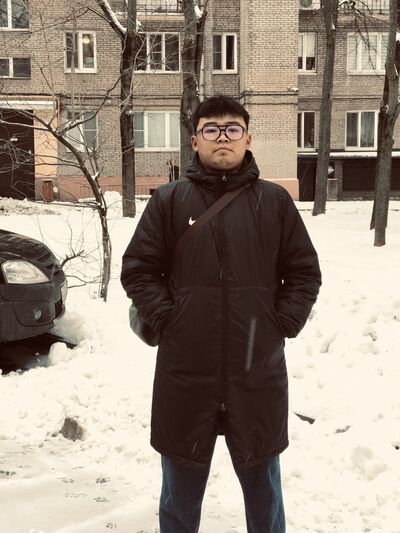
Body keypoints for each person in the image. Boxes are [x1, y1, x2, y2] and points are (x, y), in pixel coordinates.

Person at [121, 95, 322, 533]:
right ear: (195, 140)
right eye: (211, 129)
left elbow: (304, 272)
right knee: (179, 493)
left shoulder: (274, 202)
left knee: (264, 491)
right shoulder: (169, 201)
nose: (223, 138)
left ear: (248, 138)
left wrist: (281, 323)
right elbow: (138, 269)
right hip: (186, 370)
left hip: (256, 369)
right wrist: (170, 319)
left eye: (233, 129)